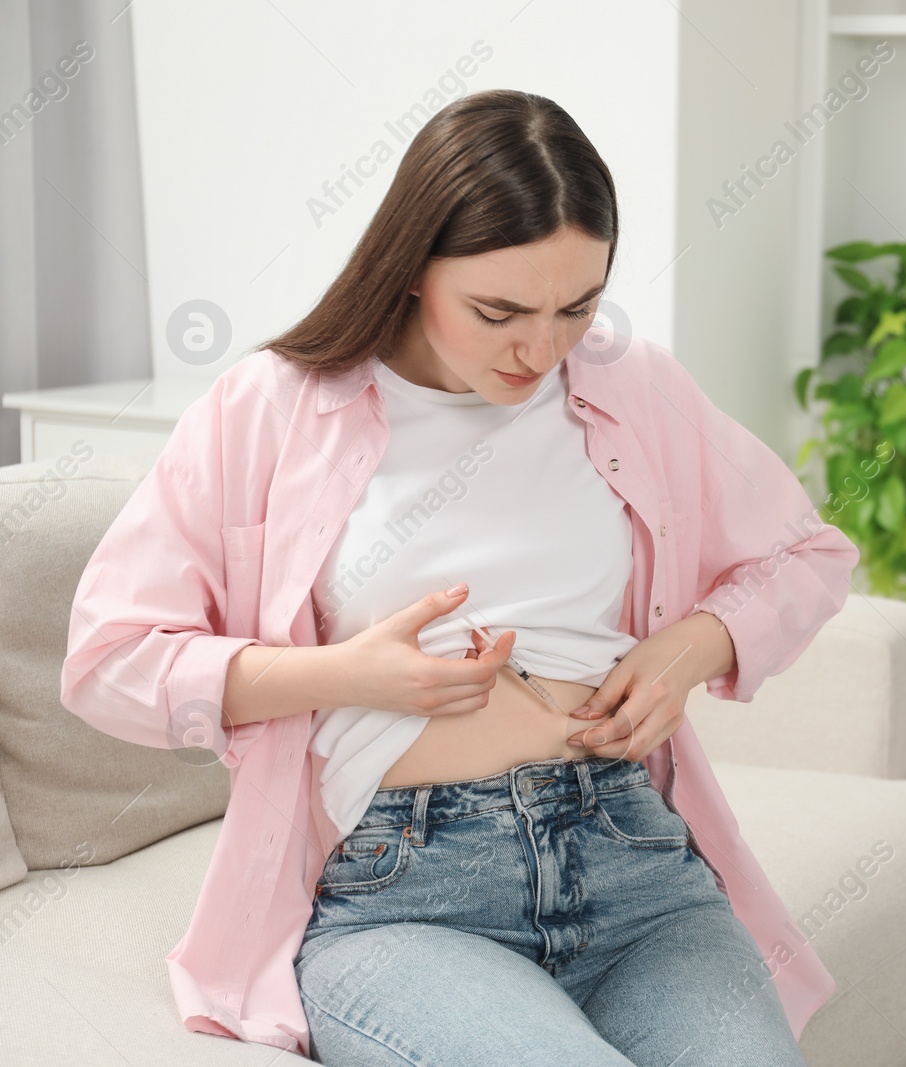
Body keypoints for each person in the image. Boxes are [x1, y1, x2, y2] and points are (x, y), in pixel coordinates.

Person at [59, 89, 859, 1065]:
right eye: (499, 311)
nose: (541, 348)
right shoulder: (267, 408)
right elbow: (109, 657)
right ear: (409, 271)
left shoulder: (627, 382)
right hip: (410, 898)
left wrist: (688, 649)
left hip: (635, 863)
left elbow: (806, 553)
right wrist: (347, 674)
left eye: (577, 305)